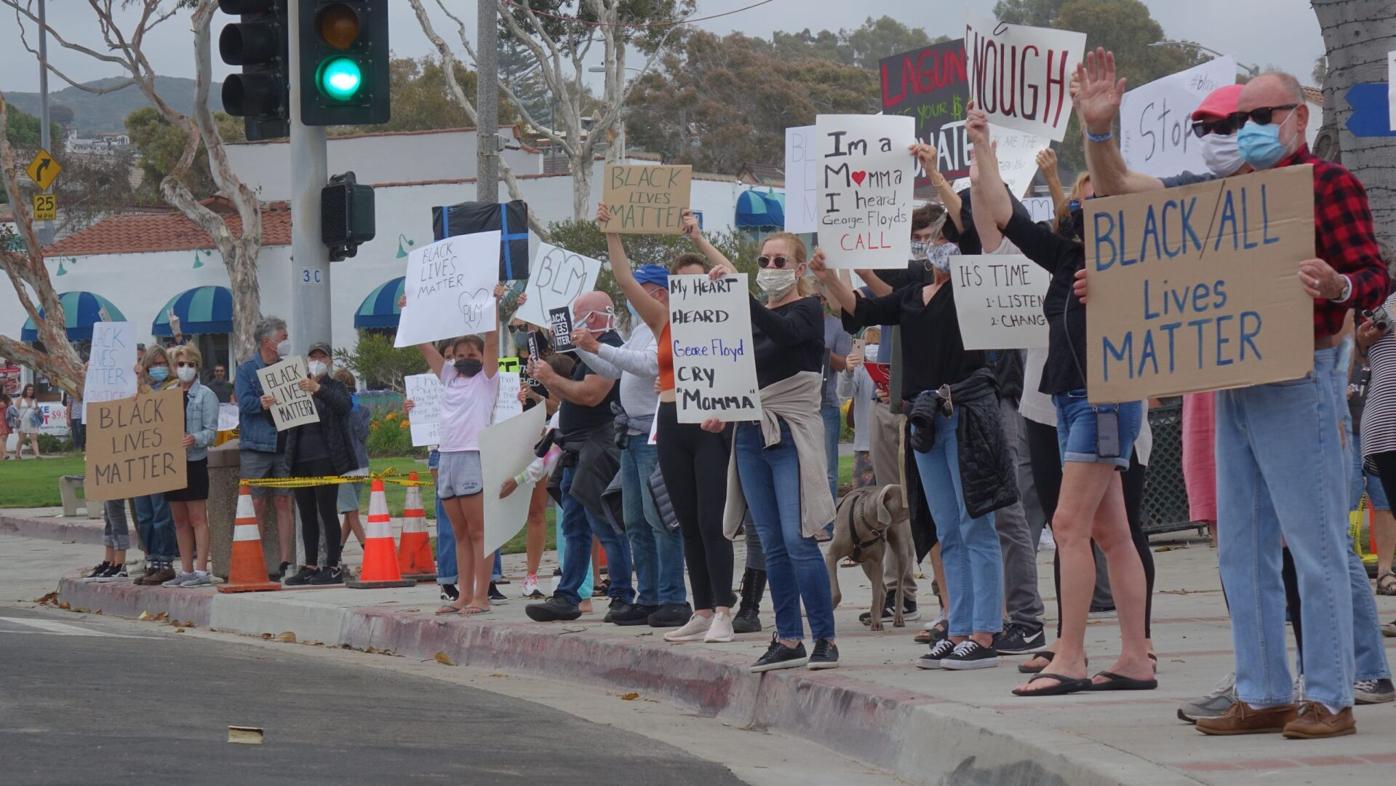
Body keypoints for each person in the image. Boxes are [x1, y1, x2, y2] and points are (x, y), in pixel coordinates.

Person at [1079, 54, 1391, 735]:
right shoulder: (1228, 193)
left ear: (1298, 118)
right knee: (1241, 548)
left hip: (1301, 375)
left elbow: (1372, 274)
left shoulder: (1328, 184)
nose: (1243, 128)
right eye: (1236, 117)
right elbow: (1128, 201)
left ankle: (1331, 696)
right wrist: (1099, 133)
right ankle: (1264, 688)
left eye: (1258, 115)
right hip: (1235, 380)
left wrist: (1338, 285)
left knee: (1313, 544)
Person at [963, 104, 1153, 695]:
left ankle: (1069, 657)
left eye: (1101, 196)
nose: (1086, 205)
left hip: (1105, 399)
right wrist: (982, 146)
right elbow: (1005, 216)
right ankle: (1136, 657)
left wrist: (1116, 286)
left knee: (1069, 526)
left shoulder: (1142, 257)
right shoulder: (1068, 254)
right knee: (1110, 534)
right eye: (1083, 197)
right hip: (1071, 397)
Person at [591, 206, 743, 639]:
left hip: (711, 422)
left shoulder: (725, 312)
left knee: (713, 520)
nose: (692, 289)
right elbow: (625, 281)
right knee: (686, 519)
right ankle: (702, 609)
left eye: (700, 281)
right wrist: (613, 232)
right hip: (672, 419)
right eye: (683, 284)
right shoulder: (662, 320)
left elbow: (733, 277)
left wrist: (698, 239)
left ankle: (724, 610)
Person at [718, 231, 838, 671]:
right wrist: (718, 406)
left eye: (779, 261)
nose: (770, 268)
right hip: (751, 434)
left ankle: (824, 637)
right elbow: (734, 368)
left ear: (800, 268)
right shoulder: (750, 317)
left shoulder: (809, 310)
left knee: (798, 538)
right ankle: (788, 638)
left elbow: (785, 334)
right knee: (770, 543)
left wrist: (739, 294)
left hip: (790, 433)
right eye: (764, 261)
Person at [572, 262, 691, 628]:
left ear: (657, 294)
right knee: (635, 520)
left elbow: (648, 365)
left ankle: (673, 596)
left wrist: (597, 346)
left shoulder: (668, 325)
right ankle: (649, 595)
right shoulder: (641, 329)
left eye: (636, 292)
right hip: (632, 435)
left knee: (660, 519)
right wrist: (582, 349)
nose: (630, 299)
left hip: (654, 433)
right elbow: (615, 369)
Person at [525, 290, 636, 622]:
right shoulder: (587, 350)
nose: (573, 322)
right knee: (574, 525)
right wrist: (547, 377)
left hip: (597, 449)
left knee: (605, 524)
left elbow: (591, 395)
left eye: (578, 315)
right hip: (577, 448)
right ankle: (568, 594)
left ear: (597, 317)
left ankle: (621, 595)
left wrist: (551, 378)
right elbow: (572, 395)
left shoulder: (610, 347)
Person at [417, 289, 508, 613]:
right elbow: (424, 345)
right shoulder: (448, 377)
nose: (465, 358)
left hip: (472, 455)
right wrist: (410, 310)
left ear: (482, 357)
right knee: (459, 532)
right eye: (459, 354)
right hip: (448, 457)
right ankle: (464, 595)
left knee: (479, 531)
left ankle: (481, 596)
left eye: (472, 353)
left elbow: (492, 340)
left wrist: (494, 304)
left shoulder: (486, 380)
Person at [282, 342, 355, 586]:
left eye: (321, 357)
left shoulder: (336, 387)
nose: (316, 361)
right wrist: (269, 407)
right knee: (306, 514)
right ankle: (310, 565)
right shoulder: (297, 386)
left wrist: (318, 389)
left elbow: (344, 407)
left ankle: (333, 565)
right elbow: (282, 421)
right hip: (300, 457)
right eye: (312, 357)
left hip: (326, 458)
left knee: (327, 511)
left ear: (329, 361)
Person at [235, 317, 297, 580]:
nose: (286, 342)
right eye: (282, 337)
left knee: (284, 501)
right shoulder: (247, 370)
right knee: (256, 503)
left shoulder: (287, 368)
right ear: (266, 342)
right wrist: (261, 402)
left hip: (284, 444)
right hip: (256, 445)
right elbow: (244, 402)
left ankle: (285, 561)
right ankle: (256, 560)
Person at [161, 343, 220, 587]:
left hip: (194, 461)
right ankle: (185, 570)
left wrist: (194, 438)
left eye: (190, 364)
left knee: (197, 517)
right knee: (179, 520)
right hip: (172, 463)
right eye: (180, 364)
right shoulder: (167, 393)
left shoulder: (206, 395)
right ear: (174, 367)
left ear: (197, 366)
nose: (185, 368)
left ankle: (201, 571)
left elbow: (212, 432)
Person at [131, 346, 180, 586]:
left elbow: (162, 406)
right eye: (154, 365)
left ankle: (165, 562)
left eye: (162, 364)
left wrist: (142, 385)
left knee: (162, 513)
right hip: (140, 458)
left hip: (162, 460)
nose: (158, 368)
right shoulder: (137, 389)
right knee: (144, 515)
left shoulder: (174, 386)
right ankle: (151, 560)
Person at [820, 297, 853, 502]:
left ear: (824, 299)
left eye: (815, 298)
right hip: (798, 404)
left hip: (826, 403)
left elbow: (844, 365)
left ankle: (829, 517)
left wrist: (823, 350)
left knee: (828, 468)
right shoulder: (795, 321)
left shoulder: (838, 326)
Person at [837, 327, 878, 490]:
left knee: (862, 496)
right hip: (886, 440)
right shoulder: (892, 362)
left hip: (865, 442)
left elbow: (845, 392)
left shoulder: (860, 365)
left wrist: (848, 371)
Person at [335, 368, 370, 551]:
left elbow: (362, 435)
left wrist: (354, 412)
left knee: (351, 513)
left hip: (357, 466)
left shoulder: (362, 411)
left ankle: (341, 551)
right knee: (351, 512)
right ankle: (365, 551)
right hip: (346, 468)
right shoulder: (333, 412)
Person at [15, 383, 42, 459]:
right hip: (22, 422)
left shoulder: (34, 400)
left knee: (34, 438)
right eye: (29, 390)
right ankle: (17, 454)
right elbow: (15, 410)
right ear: (25, 390)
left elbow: (37, 409)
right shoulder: (20, 399)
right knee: (21, 439)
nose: (30, 391)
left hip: (32, 422)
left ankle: (37, 454)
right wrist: (17, 419)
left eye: (32, 390)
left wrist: (37, 411)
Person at [1, 392, 14, 459]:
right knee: (2, 437)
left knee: (5, 438)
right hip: (1, 421)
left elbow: (11, 403)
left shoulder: (6, 398)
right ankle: (4, 454)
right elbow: (3, 405)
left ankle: (3, 455)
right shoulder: (3, 401)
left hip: (7, 420)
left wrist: (8, 397)